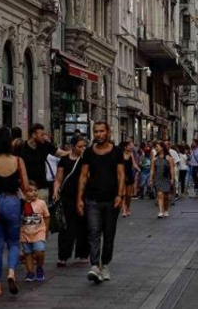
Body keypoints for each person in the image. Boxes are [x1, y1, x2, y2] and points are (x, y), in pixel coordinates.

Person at [76, 121, 125, 284]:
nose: (98, 134)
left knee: (109, 234)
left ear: (108, 132)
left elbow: (121, 174)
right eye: (96, 132)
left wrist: (120, 195)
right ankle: (95, 265)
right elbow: (83, 176)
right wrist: (79, 199)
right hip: (92, 199)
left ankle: (105, 264)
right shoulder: (89, 152)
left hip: (112, 199)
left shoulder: (117, 151)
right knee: (94, 232)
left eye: (101, 131)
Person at [0, 127, 30, 296]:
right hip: (12, 202)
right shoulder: (18, 161)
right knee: (13, 242)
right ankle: (11, 272)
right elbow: (26, 187)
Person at [53, 136, 89, 267]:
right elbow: (58, 178)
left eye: (84, 146)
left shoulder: (86, 160)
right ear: (72, 146)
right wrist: (55, 191)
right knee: (66, 226)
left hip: (83, 196)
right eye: (79, 146)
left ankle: (83, 253)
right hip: (67, 196)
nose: (82, 149)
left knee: (83, 225)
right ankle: (63, 255)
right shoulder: (64, 160)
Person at [19, 123, 69, 202]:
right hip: (26, 189)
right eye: (41, 135)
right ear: (34, 135)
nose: (44, 137)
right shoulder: (22, 148)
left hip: (41, 189)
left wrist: (74, 152)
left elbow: (61, 153)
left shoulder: (45, 145)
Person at [21, 182, 50, 282]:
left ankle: (39, 267)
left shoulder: (41, 203)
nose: (33, 193)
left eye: (35, 190)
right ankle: (30, 272)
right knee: (27, 253)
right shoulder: (22, 204)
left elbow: (46, 217)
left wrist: (46, 230)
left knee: (39, 250)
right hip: (25, 232)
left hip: (39, 232)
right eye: (30, 191)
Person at [150, 143, 175, 218]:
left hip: (166, 178)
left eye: (157, 147)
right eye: (155, 147)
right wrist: (151, 179)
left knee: (166, 197)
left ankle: (166, 210)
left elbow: (172, 169)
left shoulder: (168, 158)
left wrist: (172, 178)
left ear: (162, 148)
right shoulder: (155, 159)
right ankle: (161, 211)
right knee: (160, 195)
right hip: (158, 178)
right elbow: (152, 169)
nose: (156, 148)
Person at [119, 141, 140, 218]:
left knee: (128, 195)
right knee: (123, 194)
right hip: (122, 176)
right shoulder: (120, 155)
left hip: (129, 175)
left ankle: (128, 207)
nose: (131, 147)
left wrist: (138, 169)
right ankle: (124, 209)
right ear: (125, 147)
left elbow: (134, 164)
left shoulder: (131, 154)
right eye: (129, 145)